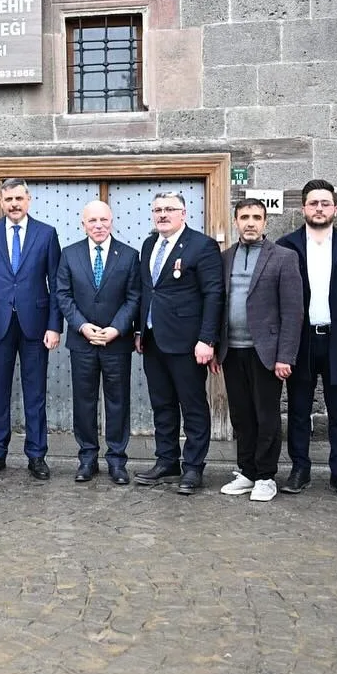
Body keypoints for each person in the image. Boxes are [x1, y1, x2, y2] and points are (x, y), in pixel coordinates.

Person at [275, 179, 337, 500]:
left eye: (325, 203)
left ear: (335, 209)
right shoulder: (285, 246)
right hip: (300, 340)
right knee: (298, 409)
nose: (320, 208)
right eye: (313, 203)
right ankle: (300, 469)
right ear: (303, 208)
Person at [134, 191, 224, 495]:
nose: (162, 214)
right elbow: (148, 290)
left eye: (169, 209)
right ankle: (167, 460)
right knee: (162, 405)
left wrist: (207, 339)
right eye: (157, 209)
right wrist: (139, 331)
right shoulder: (149, 244)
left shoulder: (202, 246)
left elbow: (214, 294)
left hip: (188, 343)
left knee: (193, 406)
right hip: (153, 340)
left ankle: (194, 467)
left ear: (183, 214)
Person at [216, 199, 303, 503]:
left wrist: (285, 356)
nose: (250, 222)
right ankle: (247, 471)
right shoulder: (225, 257)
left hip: (266, 352)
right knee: (241, 415)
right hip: (232, 350)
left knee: (266, 416)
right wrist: (216, 348)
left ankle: (266, 476)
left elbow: (293, 312)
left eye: (256, 217)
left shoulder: (283, 258)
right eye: (244, 217)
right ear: (235, 221)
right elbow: (218, 305)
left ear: (265, 222)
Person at [0, 178, 62, 480]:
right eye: (8, 199)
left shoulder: (47, 234)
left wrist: (54, 326)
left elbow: (56, 284)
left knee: (35, 392)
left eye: (19, 198)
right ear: (1, 201)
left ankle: (37, 455)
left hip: (35, 327)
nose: (14, 204)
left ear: (29, 200)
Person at [54, 200, 140, 484]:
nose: (99, 225)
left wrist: (117, 328)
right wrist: (81, 326)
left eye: (103, 220)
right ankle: (87, 459)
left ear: (111, 221)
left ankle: (117, 460)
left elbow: (134, 297)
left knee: (117, 402)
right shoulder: (69, 254)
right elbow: (63, 295)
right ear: (83, 224)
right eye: (92, 221)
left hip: (117, 343)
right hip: (83, 343)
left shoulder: (128, 256)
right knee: (84, 402)